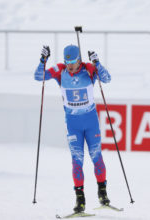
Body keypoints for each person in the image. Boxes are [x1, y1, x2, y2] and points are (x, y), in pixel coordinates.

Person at [34, 44, 112, 213]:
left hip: (91, 123)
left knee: (96, 156)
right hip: (73, 124)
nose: (70, 66)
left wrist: (97, 62)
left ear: (79, 60)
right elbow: (38, 76)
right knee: (77, 160)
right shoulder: (60, 71)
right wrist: (43, 60)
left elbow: (107, 79)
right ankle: (80, 200)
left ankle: (102, 192)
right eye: (67, 62)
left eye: (73, 62)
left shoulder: (89, 69)